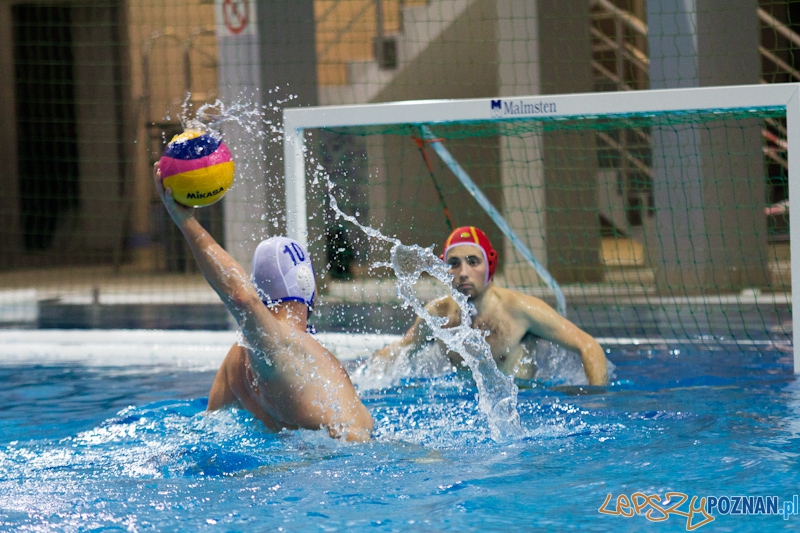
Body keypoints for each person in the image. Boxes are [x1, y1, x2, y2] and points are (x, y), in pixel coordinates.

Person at [154, 163, 373, 441]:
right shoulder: (288, 346)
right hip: (349, 464)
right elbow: (242, 298)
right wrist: (186, 222)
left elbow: (208, 427)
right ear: (309, 285)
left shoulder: (237, 357)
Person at [371, 226, 609, 386]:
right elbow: (402, 349)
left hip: (526, 411)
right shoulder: (436, 314)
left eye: (473, 262)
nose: (463, 273)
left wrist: (597, 400)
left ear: (490, 266)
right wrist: (366, 379)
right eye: (454, 264)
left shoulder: (520, 310)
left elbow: (588, 345)